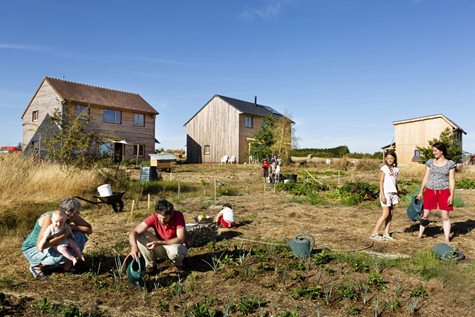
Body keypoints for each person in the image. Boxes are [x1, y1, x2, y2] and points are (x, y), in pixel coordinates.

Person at [21, 197, 92, 279]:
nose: (79, 213)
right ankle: (37, 266)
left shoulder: (70, 216)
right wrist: (64, 235)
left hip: (54, 243)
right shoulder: (50, 218)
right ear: (69, 213)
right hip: (33, 248)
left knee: (79, 236)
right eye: (77, 211)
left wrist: (70, 227)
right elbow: (40, 245)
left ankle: (67, 267)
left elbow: (89, 229)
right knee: (63, 251)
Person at [128, 199, 188, 275]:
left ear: (171, 214)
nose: (162, 221)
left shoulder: (178, 215)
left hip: (177, 247)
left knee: (174, 250)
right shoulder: (154, 217)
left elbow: (180, 239)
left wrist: (159, 243)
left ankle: (177, 265)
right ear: (157, 214)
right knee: (141, 235)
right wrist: (134, 247)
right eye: (160, 218)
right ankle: (150, 265)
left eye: (165, 218)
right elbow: (134, 232)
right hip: (162, 247)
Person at [417, 142, 456, 243]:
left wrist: (452, 195)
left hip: (444, 191)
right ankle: (420, 234)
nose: (433, 153)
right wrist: (421, 191)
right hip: (430, 190)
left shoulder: (450, 164)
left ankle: (447, 238)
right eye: (433, 151)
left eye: (435, 151)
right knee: (425, 214)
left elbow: (452, 180)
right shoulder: (430, 162)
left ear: (441, 151)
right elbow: (426, 177)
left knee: (445, 216)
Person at [370, 150, 400, 241]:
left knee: (390, 214)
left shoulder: (396, 169)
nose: (390, 160)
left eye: (392, 158)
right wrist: (382, 194)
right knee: (385, 213)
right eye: (388, 158)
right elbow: (381, 182)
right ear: (385, 159)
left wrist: (398, 194)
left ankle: (386, 233)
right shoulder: (384, 168)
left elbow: (395, 183)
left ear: (394, 159)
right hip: (386, 193)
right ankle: (374, 233)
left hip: (393, 193)